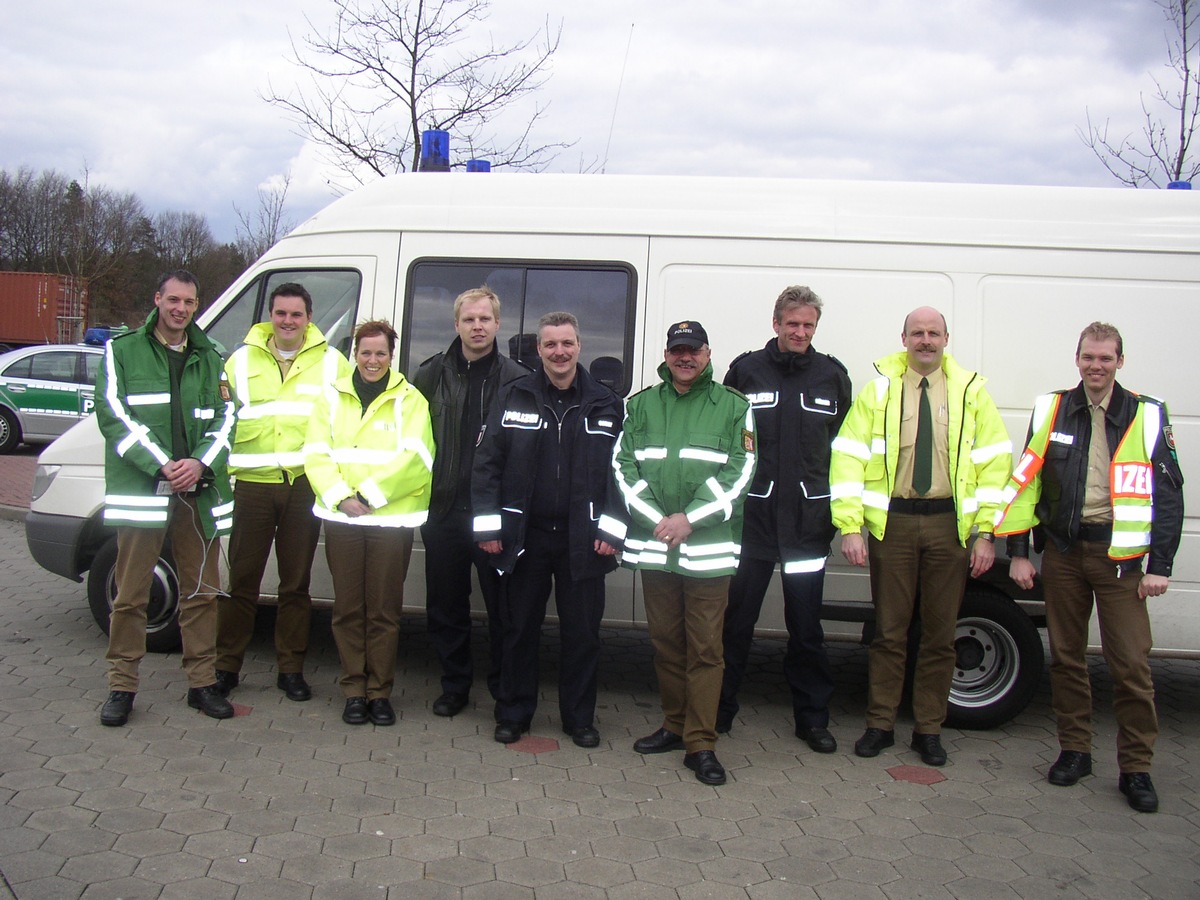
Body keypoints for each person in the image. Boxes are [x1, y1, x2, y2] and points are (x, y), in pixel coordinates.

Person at [997, 322, 1183, 813]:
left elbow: (1168, 495)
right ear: (1076, 360)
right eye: (1088, 357)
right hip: (1063, 553)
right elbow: (1025, 483)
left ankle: (1136, 769)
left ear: (1120, 361)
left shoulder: (1146, 414)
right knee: (1067, 659)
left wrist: (1159, 565)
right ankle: (1075, 751)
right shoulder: (1052, 408)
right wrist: (1018, 551)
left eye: (1105, 358)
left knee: (1131, 668)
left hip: (1120, 562)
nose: (1095, 366)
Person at [830, 307, 1010, 766]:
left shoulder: (972, 394)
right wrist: (850, 526)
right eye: (917, 333)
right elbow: (848, 458)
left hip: (951, 528)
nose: (925, 340)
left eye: (933, 333)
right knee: (889, 632)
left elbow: (994, 466)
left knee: (940, 635)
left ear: (947, 338)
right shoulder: (880, 391)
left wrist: (986, 532)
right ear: (904, 338)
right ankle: (880, 724)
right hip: (894, 525)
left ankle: (930, 728)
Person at [472, 312, 627, 747]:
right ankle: (513, 713)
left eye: (567, 343)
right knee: (519, 629)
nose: (559, 352)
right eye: (550, 345)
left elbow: (621, 476)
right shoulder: (513, 395)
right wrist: (488, 528)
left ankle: (579, 719)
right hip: (526, 537)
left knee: (583, 634)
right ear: (538, 350)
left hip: (585, 539)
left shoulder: (606, 402)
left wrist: (612, 533)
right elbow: (487, 466)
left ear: (579, 346)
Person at [614, 320, 756, 786]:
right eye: (677, 351)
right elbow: (622, 466)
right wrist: (656, 518)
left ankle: (702, 743)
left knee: (706, 651)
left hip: (707, 551)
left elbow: (741, 470)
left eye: (693, 350)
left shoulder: (734, 407)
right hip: (657, 547)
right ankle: (673, 725)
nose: (685, 358)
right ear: (667, 354)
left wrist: (688, 519)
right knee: (666, 646)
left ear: (708, 353)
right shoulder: (640, 405)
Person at [96, 270, 236, 726]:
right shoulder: (122, 351)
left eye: (189, 302)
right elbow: (113, 414)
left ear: (197, 306)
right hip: (145, 489)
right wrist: (163, 464)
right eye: (173, 300)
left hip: (198, 491)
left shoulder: (212, 355)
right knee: (131, 595)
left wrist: (197, 463)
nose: (180, 309)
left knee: (200, 593)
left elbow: (227, 416)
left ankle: (201, 684)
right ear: (157, 299)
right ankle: (122, 686)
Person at [718, 286, 851, 752]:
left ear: (815, 328)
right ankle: (717, 713)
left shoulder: (832, 377)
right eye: (791, 324)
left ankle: (812, 720)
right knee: (735, 624)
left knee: (807, 629)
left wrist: (839, 516)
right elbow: (725, 441)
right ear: (776, 323)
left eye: (807, 325)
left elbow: (847, 453)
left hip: (808, 528)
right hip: (752, 523)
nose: (799, 332)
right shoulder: (746, 370)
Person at [215, 283, 350, 702]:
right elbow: (222, 421)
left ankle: (290, 669)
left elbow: (346, 423)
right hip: (252, 487)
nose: (288, 321)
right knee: (242, 582)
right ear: (269, 316)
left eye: (296, 314)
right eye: (281, 313)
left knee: (296, 584)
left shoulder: (333, 363)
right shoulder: (239, 361)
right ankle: (226, 667)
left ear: (310, 317)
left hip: (302, 487)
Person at [303, 319, 434, 726]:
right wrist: (341, 497)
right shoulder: (330, 398)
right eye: (365, 352)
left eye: (380, 353)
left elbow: (419, 459)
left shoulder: (411, 400)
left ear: (391, 356)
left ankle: (380, 692)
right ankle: (353, 690)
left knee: (383, 612)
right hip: (342, 518)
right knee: (346, 609)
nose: (372, 360)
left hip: (388, 522)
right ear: (353, 354)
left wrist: (368, 498)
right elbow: (315, 452)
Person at [412, 287, 528, 718]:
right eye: (469, 319)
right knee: (445, 607)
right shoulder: (429, 375)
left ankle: (503, 690)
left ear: (498, 324)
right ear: (456, 324)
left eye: (485, 319)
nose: (477, 326)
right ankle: (454, 686)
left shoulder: (518, 379)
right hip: (442, 510)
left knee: (503, 610)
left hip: (494, 517)